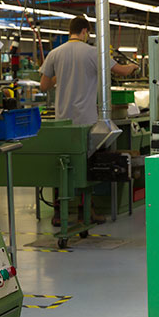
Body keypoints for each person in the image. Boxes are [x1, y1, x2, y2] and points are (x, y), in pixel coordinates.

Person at [40, 16, 137, 226]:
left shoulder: (55, 54)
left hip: (62, 124)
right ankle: (88, 210)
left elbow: (44, 85)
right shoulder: (93, 52)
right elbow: (119, 71)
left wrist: (63, 75)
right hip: (87, 122)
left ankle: (58, 213)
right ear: (85, 31)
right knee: (87, 166)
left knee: (62, 167)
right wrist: (132, 67)